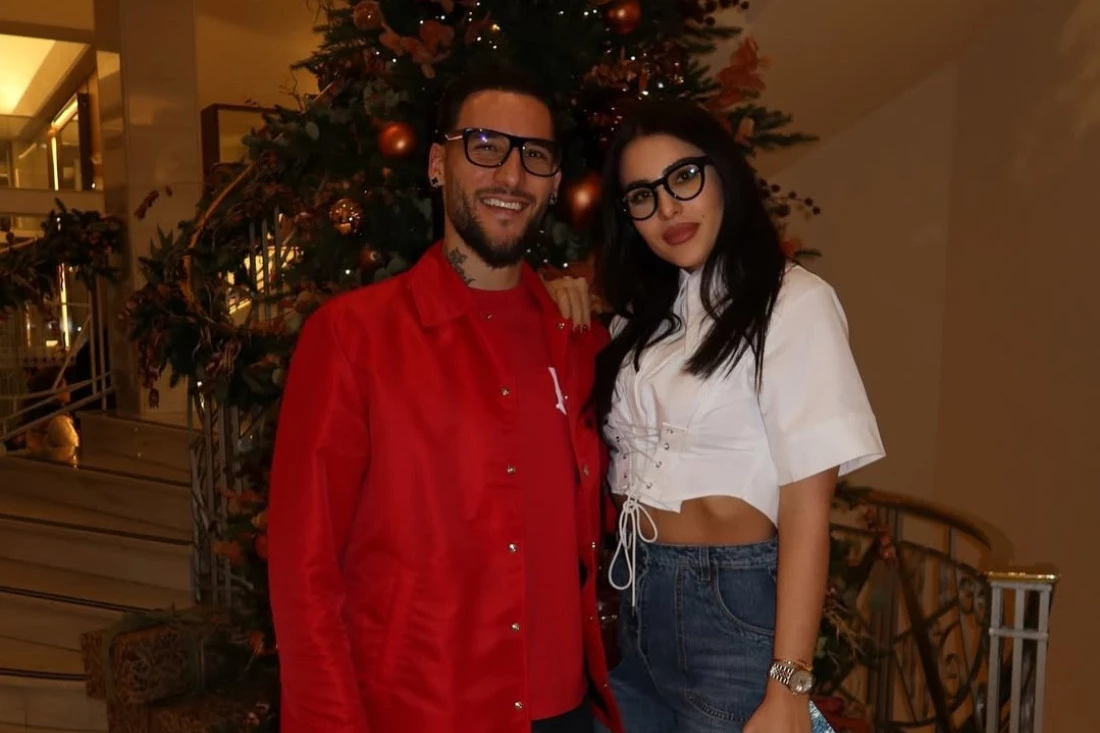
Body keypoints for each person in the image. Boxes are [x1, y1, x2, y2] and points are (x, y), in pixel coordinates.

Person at [267, 67, 623, 733]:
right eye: (485, 145)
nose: (510, 175)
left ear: (553, 182)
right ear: (437, 164)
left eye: (534, 156)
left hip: (569, 714)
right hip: (421, 713)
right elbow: (304, 572)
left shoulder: (581, 342)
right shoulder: (351, 337)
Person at [548, 98, 885, 733]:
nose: (667, 209)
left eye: (683, 178)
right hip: (636, 612)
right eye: (642, 196)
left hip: (733, 617)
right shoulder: (640, 317)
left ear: (723, 174)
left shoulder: (793, 304)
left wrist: (788, 687)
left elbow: (807, 511)